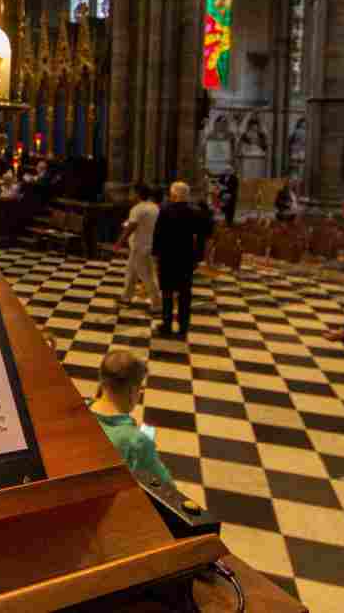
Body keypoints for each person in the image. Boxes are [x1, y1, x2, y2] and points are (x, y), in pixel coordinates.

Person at [90, 351, 174, 485]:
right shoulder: (137, 442)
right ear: (132, 391)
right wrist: (146, 446)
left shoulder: (78, 411)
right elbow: (168, 487)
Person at [151, 181, 210, 339]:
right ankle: (183, 327)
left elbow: (158, 234)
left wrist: (156, 254)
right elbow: (201, 237)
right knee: (185, 294)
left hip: (168, 257)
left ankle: (167, 324)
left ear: (174, 195)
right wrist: (198, 257)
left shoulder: (165, 210)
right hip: (186, 258)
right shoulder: (195, 212)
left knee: (167, 293)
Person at [116, 184, 161, 311]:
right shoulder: (154, 207)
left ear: (137, 194)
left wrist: (119, 242)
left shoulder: (138, 209)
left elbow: (131, 226)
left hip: (139, 246)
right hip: (147, 244)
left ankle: (157, 304)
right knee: (131, 272)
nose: (130, 195)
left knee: (148, 276)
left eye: (131, 193)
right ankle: (126, 297)